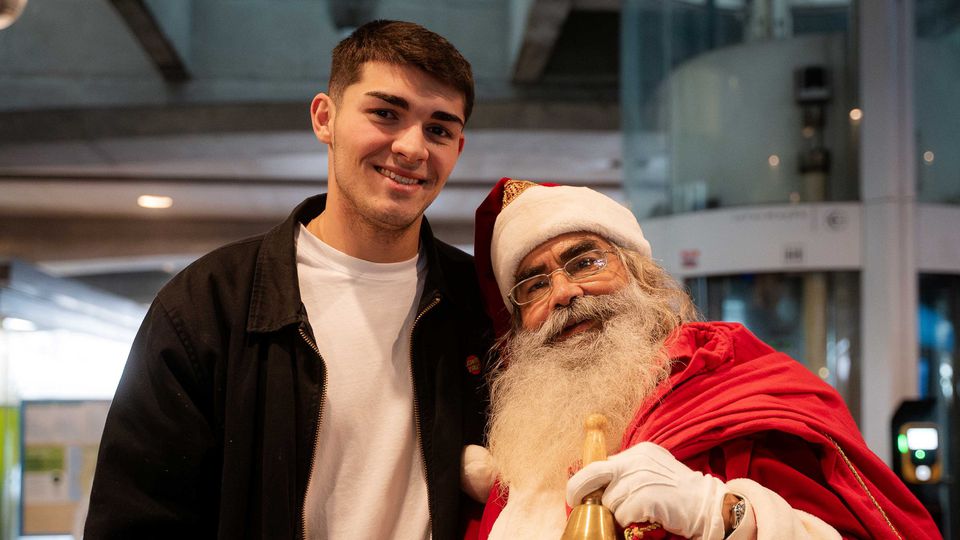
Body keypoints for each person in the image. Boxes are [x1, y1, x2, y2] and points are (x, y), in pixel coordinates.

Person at [85, 20, 491, 539]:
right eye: (386, 114)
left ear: (458, 148)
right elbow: (135, 521)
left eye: (439, 128)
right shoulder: (208, 305)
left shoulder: (482, 304)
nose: (412, 147)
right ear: (325, 117)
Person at [459, 178, 940, 539]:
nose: (564, 293)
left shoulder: (738, 380)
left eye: (585, 262)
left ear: (641, 275)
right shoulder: (524, 443)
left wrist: (722, 511)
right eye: (535, 285)